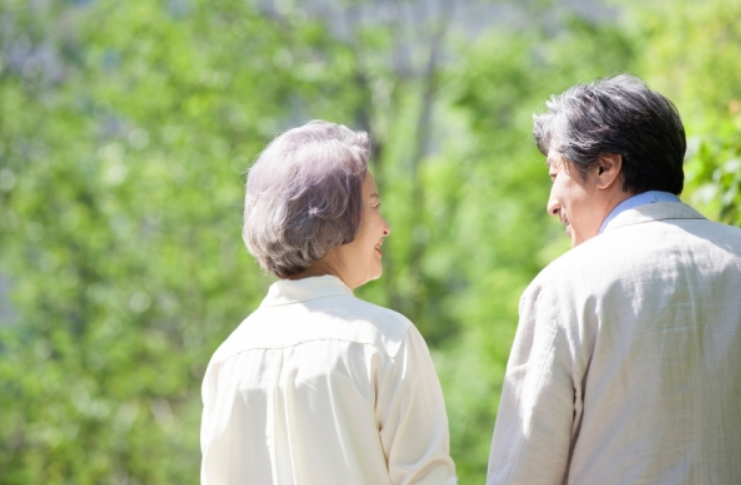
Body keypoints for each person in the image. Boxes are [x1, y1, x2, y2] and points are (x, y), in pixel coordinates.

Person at [486, 74, 741, 485]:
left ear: (605, 167)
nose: (552, 204)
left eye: (555, 175)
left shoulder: (565, 287)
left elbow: (522, 471)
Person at [200, 120, 457, 485]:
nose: (386, 226)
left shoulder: (228, 359)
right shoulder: (386, 340)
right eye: (374, 206)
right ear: (334, 219)